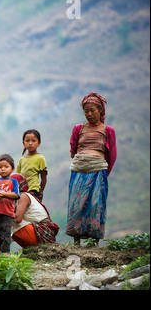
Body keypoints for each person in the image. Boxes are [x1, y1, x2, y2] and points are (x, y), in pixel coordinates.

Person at [66, 92, 117, 246]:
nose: (89, 114)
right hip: (79, 169)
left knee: (96, 204)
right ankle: (76, 241)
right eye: (86, 111)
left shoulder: (108, 130)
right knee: (76, 204)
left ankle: (94, 240)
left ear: (100, 110)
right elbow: (73, 150)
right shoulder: (78, 129)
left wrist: (104, 173)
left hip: (98, 170)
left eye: (92, 110)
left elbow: (112, 155)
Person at [10, 174, 59, 248]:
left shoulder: (23, 196)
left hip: (41, 232)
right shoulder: (16, 199)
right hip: (38, 232)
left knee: (8, 221)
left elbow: (18, 219)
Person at [16, 129, 48, 201]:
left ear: (39, 143)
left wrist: (40, 192)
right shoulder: (21, 160)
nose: (30, 143)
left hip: (34, 190)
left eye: (33, 141)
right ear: (23, 143)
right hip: (22, 192)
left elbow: (44, 179)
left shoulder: (40, 158)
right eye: (27, 141)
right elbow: (17, 177)